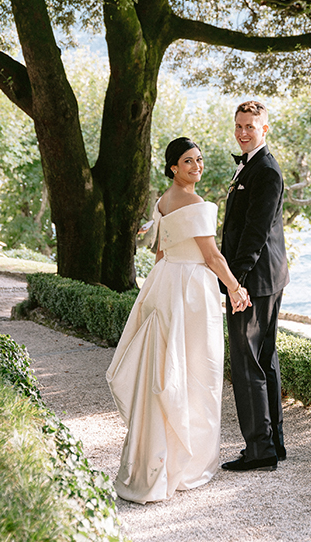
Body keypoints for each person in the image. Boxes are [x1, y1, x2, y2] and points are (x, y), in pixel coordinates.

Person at [106, 137, 250, 504]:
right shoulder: (196, 203)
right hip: (191, 291)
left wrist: (151, 294)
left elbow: (159, 252)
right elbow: (213, 257)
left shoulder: (162, 201)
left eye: (199, 160)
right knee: (196, 373)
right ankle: (185, 464)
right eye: (188, 161)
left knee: (167, 370)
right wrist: (236, 289)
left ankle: (160, 458)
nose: (196, 166)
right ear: (173, 167)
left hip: (167, 282)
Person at [220, 100, 290, 472]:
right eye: (239, 126)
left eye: (251, 126)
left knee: (248, 363)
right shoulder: (254, 166)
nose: (243, 132)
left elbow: (255, 234)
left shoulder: (266, 171)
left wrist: (236, 281)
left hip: (255, 281)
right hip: (267, 277)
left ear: (265, 129)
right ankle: (273, 443)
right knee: (264, 359)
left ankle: (260, 449)